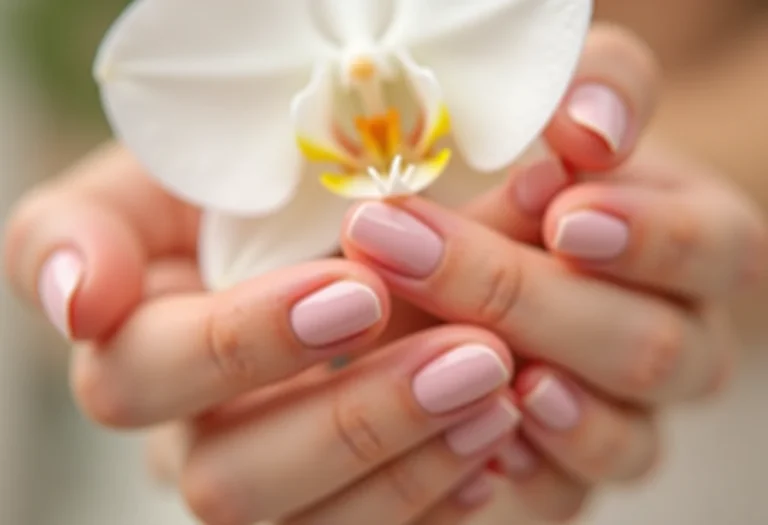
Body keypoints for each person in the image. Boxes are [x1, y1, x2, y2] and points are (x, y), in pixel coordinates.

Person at [3, 11, 767, 525]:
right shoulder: (255, 241)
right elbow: (151, 91)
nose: (374, 119)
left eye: (386, 98)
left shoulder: (546, 183)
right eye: (354, 105)